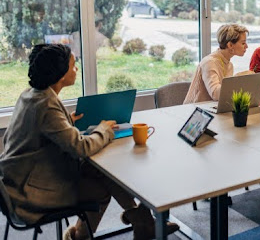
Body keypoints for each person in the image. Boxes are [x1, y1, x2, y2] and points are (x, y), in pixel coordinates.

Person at [0, 44, 178, 240]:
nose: (76, 69)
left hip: (18, 181)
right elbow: (81, 148)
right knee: (101, 187)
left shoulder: (31, 95)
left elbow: (41, 128)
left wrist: (68, 121)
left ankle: (142, 220)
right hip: (32, 192)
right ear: (60, 75)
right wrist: (104, 129)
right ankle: (85, 234)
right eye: (74, 65)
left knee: (100, 170)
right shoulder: (47, 106)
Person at [184, 24, 249, 104]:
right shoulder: (209, 62)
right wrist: (238, 78)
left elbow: (226, 94)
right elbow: (215, 94)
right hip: (195, 111)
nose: (247, 46)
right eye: (243, 43)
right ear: (230, 45)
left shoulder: (229, 65)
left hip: (212, 108)